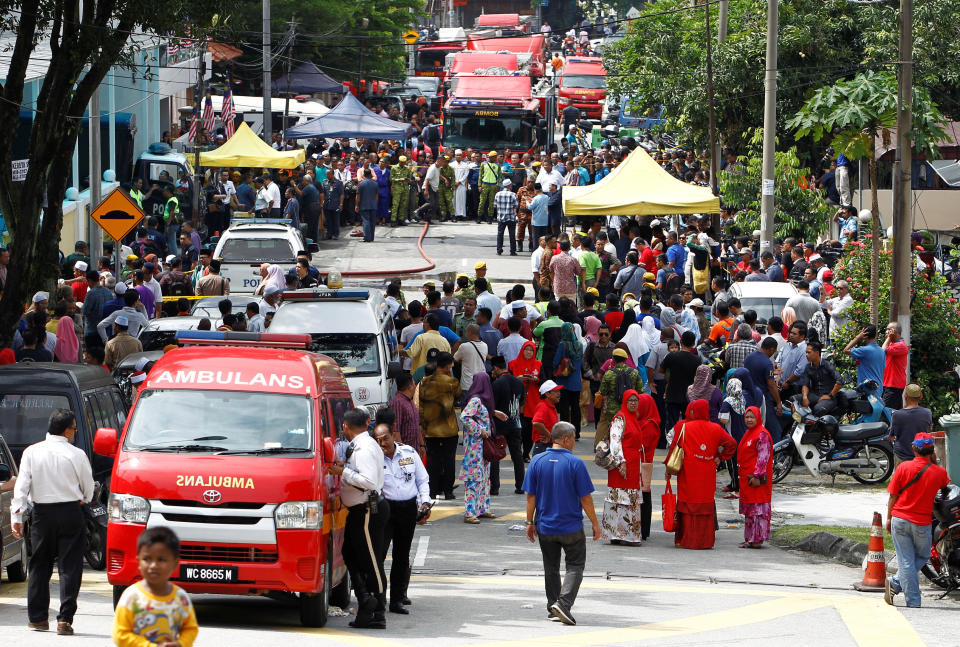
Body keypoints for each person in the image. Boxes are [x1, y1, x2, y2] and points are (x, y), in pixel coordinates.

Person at [11, 409, 94, 635]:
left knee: (39, 564)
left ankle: (37, 618)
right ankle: (64, 619)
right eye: (75, 429)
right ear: (67, 431)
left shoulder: (31, 452)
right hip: (70, 511)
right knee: (70, 567)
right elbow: (88, 488)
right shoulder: (76, 454)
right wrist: (84, 499)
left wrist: (16, 516)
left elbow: (21, 487)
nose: (75, 433)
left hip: (42, 515)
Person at [522, 421, 600, 626]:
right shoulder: (575, 463)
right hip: (571, 527)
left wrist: (530, 522)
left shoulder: (537, 461)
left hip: (545, 526)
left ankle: (553, 606)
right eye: (574, 438)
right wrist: (595, 523)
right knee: (575, 565)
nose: (574, 442)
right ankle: (563, 604)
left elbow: (531, 496)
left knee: (551, 566)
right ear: (566, 439)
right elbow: (585, 498)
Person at [324, 408, 388, 629]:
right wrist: (345, 469)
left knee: (372, 562)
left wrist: (343, 473)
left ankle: (378, 612)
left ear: (345, 427)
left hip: (368, 510)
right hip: (358, 510)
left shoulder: (364, 448)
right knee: (350, 553)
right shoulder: (361, 445)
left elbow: (368, 482)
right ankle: (364, 598)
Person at [884, 432, 951, 608]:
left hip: (899, 518)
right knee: (922, 556)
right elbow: (945, 486)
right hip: (922, 523)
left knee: (905, 560)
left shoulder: (903, 468)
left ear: (914, 449)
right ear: (931, 450)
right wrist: (934, 460)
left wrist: (889, 518)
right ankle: (911, 599)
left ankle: (896, 583)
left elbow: (893, 496)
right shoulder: (939, 472)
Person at [374, 424, 430, 614]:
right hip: (385, 509)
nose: (383, 444)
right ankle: (377, 598)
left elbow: (422, 480)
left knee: (401, 556)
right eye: (378, 440)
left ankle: (397, 600)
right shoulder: (374, 458)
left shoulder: (409, 453)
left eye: (385, 438)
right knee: (379, 554)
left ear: (393, 436)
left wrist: (425, 503)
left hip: (407, 509)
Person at [667, 399, 737, 549]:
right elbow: (731, 444)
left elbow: (674, 448)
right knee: (704, 504)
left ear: (693, 411)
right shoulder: (716, 428)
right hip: (707, 473)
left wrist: (668, 469)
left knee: (687, 503)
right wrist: (720, 457)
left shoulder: (684, 427)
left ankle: (685, 539)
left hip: (688, 472)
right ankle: (704, 541)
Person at [113, 526, 199, 646]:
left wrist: (180, 643)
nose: (153, 565)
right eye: (147, 559)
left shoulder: (181, 598)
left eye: (161, 559)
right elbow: (120, 634)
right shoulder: (131, 596)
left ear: (175, 563)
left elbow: (190, 629)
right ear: (138, 561)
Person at [601, 390, 660, 546]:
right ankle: (621, 536)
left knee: (629, 499)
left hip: (633, 464)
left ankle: (625, 535)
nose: (633, 403)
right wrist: (621, 462)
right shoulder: (620, 419)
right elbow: (615, 442)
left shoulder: (633, 418)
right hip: (622, 464)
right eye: (630, 400)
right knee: (619, 499)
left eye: (636, 400)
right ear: (625, 402)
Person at [419, 352, 461, 499]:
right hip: (449, 428)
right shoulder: (453, 382)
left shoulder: (425, 382)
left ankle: (432, 490)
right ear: (448, 365)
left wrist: (423, 426)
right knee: (449, 460)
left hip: (431, 428)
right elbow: (457, 397)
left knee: (433, 460)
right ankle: (448, 491)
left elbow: (422, 406)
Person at [460, 372, 500, 523]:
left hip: (483, 446)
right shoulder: (476, 399)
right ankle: (470, 512)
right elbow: (464, 416)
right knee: (474, 477)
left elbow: (482, 414)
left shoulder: (482, 400)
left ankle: (482, 508)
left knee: (484, 477)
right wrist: (479, 430)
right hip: (475, 446)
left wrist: (495, 414)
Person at [737, 406, 773, 548]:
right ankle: (750, 538)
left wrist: (758, 475)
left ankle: (756, 539)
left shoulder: (762, 434)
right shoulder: (749, 432)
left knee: (758, 509)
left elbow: (763, 457)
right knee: (750, 509)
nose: (749, 419)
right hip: (748, 478)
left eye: (752, 417)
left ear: (758, 418)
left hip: (757, 479)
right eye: (747, 417)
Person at [490, 356, 525, 495]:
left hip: (499, 425)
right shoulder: (518, 382)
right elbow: (521, 401)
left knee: (495, 456)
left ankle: (495, 487)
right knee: (517, 455)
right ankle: (520, 485)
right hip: (516, 423)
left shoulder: (497, 384)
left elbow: (492, 405)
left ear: (496, 368)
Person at [596, 347, 644, 449]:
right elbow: (640, 391)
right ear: (626, 359)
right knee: (628, 429)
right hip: (630, 407)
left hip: (613, 409)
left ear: (613, 359)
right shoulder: (634, 373)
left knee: (613, 431)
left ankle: (615, 451)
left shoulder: (609, 374)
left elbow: (602, 391)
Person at [510, 340, 541, 461]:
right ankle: (516, 453)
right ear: (522, 350)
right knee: (517, 430)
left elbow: (543, 381)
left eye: (531, 350)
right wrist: (517, 378)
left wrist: (536, 380)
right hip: (517, 401)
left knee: (529, 430)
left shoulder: (538, 364)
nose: (528, 352)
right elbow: (508, 381)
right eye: (526, 349)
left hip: (532, 401)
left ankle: (526, 453)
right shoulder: (513, 364)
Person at [552, 322, 583, 439]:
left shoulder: (562, 344)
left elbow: (556, 361)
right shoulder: (579, 345)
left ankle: (565, 432)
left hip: (564, 380)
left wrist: (555, 371)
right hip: (576, 380)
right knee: (576, 407)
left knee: (564, 407)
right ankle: (577, 432)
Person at [889, 383, 932, 467]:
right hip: (921, 455)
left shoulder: (897, 414)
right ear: (920, 396)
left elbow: (892, 435)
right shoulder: (927, 413)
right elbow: (928, 430)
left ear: (905, 396)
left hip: (902, 456)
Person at [843, 324, 885, 395]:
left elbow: (845, 350)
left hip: (867, 390)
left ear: (864, 335)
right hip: (879, 389)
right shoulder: (881, 351)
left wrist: (858, 337)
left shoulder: (864, 350)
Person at [802, 342, 840, 416]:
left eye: (809, 352)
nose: (806, 355)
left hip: (829, 397)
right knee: (793, 399)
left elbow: (840, 381)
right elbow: (805, 384)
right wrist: (804, 397)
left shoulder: (828, 365)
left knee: (817, 409)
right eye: (806, 352)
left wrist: (830, 395)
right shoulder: (808, 367)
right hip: (815, 396)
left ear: (817, 353)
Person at [882, 321, 909, 410]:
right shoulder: (893, 344)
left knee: (886, 412)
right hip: (890, 383)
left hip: (893, 384)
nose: (886, 332)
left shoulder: (900, 345)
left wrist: (889, 338)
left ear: (895, 331)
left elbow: (883, 351)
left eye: (888, 330)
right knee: (895, 412)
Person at [532, 380, 562, 455]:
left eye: (559, 391)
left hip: (548, 445)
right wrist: (548, 435)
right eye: (556, 391)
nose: (559, 393)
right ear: (547, 394)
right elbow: (536, 422)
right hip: (543, 447)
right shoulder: (543, 406)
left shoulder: (550, 406)